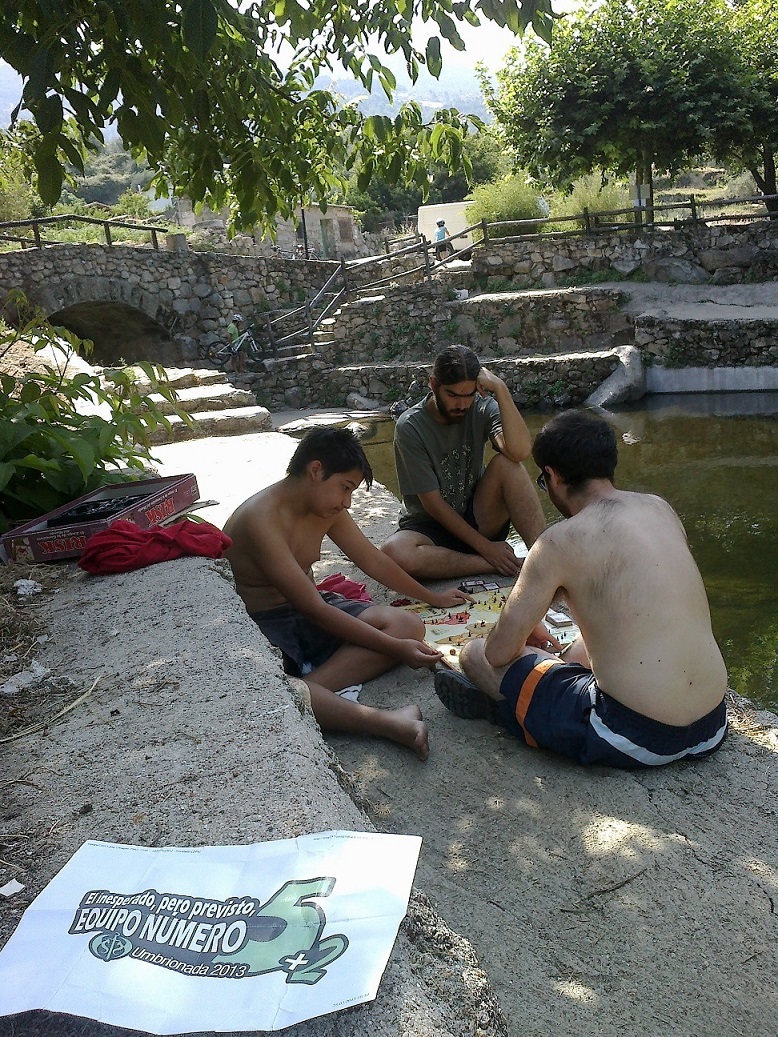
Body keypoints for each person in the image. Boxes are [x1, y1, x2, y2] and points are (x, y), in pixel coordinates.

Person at [434, 409, 729, 769]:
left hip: (634, 735)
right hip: (712, 724)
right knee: (574, 653)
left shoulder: (558, 542)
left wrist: (519, 637)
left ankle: (503, 712)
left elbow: (498, 653)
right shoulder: (659, 508)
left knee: (474, 655)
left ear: (553, 476)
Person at [223, 427, 471, 761]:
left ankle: (309, 690)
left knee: (409, 626)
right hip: (267, 624)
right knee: (278, 690)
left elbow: (373, 561)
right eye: (345, 488)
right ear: (315, 471)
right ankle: (383, 721)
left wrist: (432, 597)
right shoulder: (261, 518)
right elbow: (312, 609)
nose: (348, 501)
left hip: (310, 610)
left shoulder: (327, 509)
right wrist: (395, 649)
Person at [380, 344, 545, 580]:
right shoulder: (410, 426)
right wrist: (488, 551)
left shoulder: (482, 408)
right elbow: (433, 505)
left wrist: (501, 389)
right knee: (394, 553)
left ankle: (544, 557)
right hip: (430, 528)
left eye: (468, 395)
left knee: (508, 465)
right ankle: (490, 564)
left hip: (476, 514)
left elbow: (519, 452)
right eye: (453, 395)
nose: (461, 405)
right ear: (433, 384)